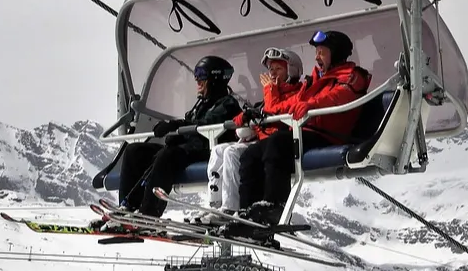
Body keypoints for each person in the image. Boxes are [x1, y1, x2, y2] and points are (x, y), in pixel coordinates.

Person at [236, 30, 371, 227]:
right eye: (316, 52)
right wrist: (265, 111)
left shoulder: (351, 76)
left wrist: (312, 104)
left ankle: (274, 206)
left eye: (322, 52)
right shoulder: (313, 81)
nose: (317, 57)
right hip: (304, 132)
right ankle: (247, 212)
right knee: (251, 154)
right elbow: (290, 106)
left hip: (328, 136)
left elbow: (339, 97)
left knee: (277, 143)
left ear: (336, 53)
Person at [109, 55, 243, 221]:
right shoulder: (201, 104)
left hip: (207, 151)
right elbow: (191, 123)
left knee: (167, 156)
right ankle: (128, 206)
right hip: (189, 148)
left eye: (202, 77)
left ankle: (149, 213)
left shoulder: (227, 103)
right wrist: (176, 134)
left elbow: (207, 123)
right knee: (135, 151)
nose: (197, 81)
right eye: (196, 77)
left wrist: (176, 127)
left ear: (215, 79)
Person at [199, 47, 304, 224]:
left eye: (278, 69)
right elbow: (242, 118)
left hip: (278, 143)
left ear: (292, 70)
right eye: (271, 70)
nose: (272, 74)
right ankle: (217, 205)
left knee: (232, 153)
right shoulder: (270, 94)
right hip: (260, 140)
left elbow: (275, 110)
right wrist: (247, 116)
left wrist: (270, 91)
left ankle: (232, 208)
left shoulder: (297, 92)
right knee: (218, 150)